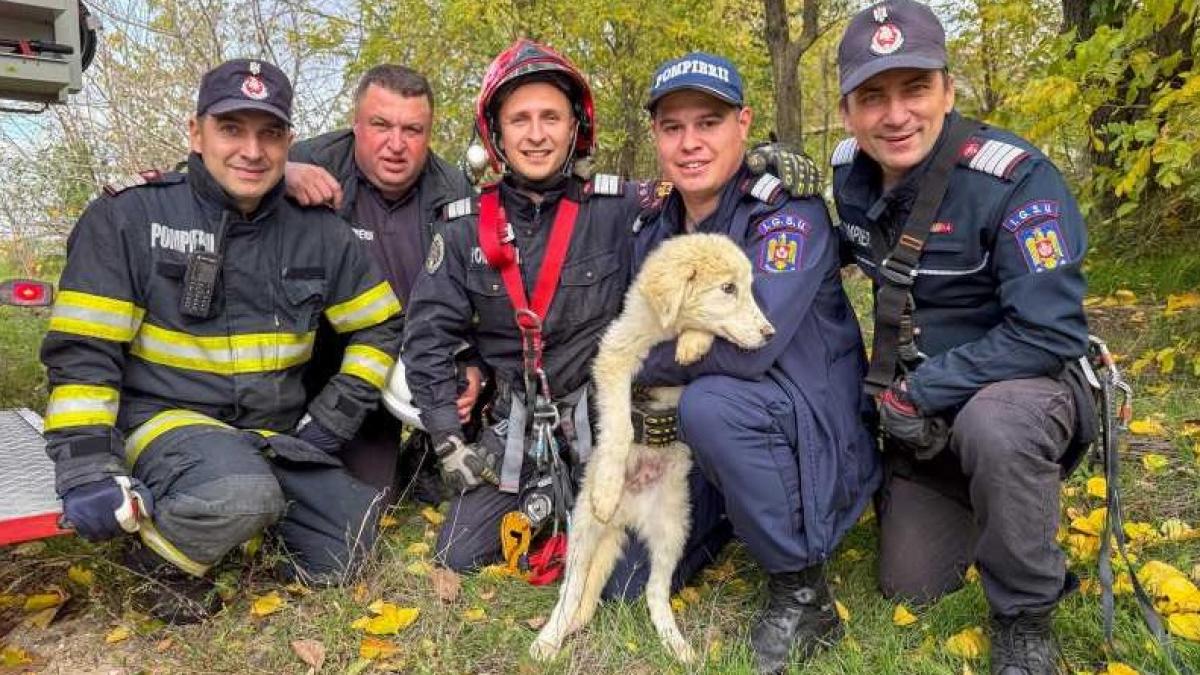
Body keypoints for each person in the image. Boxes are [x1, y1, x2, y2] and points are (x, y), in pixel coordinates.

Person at [403, 39, 818, 579]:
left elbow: (699, 191)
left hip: (605, 422)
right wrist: (447, 439)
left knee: (629, 568)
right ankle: (544, 503)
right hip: (513, 431)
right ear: (496, 133)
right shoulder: (461, 227)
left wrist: (759, 162)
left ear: (575, 126)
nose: (535, 134)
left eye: (550, 117)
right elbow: (427, 336)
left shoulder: (624, 206)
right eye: (519, 119)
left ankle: (706, 513)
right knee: (456, 552)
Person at [40, 59, 403, 623]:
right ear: (195, 132)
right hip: (163, 422)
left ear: (289, 142)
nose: (252, 151)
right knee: (241, 494)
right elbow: (84, 357)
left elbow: (380, 324)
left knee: (351, 538)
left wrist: (334, 418)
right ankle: (155, 567)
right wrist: (86, 469)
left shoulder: (320, 232)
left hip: (270, 435)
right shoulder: (129, 217)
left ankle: (231, 532)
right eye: (231, 129)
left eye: (270, 133)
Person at [830, 3, 1092, 673]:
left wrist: (924, 388)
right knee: (909, 583)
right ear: (847, 112)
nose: (896, 115)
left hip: (1019, 397)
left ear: (948, 89)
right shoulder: (848, 175)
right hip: (926, 427)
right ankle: (991, 503)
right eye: (872, 97)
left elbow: (1049, 332)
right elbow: (849, 249)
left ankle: (1026, 616)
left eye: (915, 88)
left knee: (996, 425)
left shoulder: (1015, 178)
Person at [626, 52, 881, 674]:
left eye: (708, 123)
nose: (690, 143)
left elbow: (747, 346)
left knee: (709, 403)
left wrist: (639, 361)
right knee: (625, 583)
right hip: (725, 435)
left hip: (811, 432)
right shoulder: (656, 222)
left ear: (744, 124)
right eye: (672, 127)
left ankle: (803, 591)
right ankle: (724, 521)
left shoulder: (788, 212)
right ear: (656, 136)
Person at [286, 65, 477, 505]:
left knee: (370, 497)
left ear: (429, 134)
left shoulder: (455, 192)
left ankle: (419, 456)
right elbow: (221, 176)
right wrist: (281, 175)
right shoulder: (309, 163)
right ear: (356, 124)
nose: (396, 145)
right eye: (380, 125)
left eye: (412, 130)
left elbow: (477, 291)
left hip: (399, 364)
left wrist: (473, 364)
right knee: (305, 482)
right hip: (317, 363)